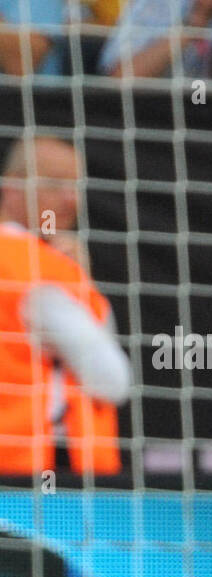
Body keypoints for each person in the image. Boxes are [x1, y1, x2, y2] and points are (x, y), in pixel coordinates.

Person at [0, 136, 131, 477]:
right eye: (56, 184)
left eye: (76, 186)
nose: (71, 199)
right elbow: (111, 379)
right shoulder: (39, 269)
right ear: (13, 186)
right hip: (33, 483)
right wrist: (78, 281)